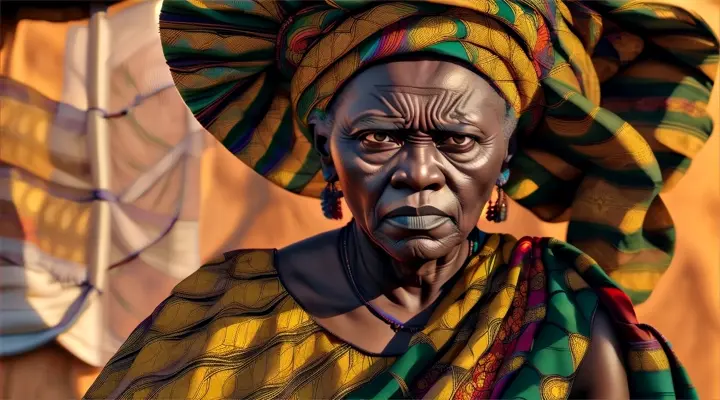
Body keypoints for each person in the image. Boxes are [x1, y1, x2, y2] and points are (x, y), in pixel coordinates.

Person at [85, 0, 718, 399]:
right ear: (325, 143)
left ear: (505, 158)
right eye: (379, 138)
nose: (419, 172)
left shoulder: (563, 316)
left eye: (459, 141)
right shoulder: (222, 313)